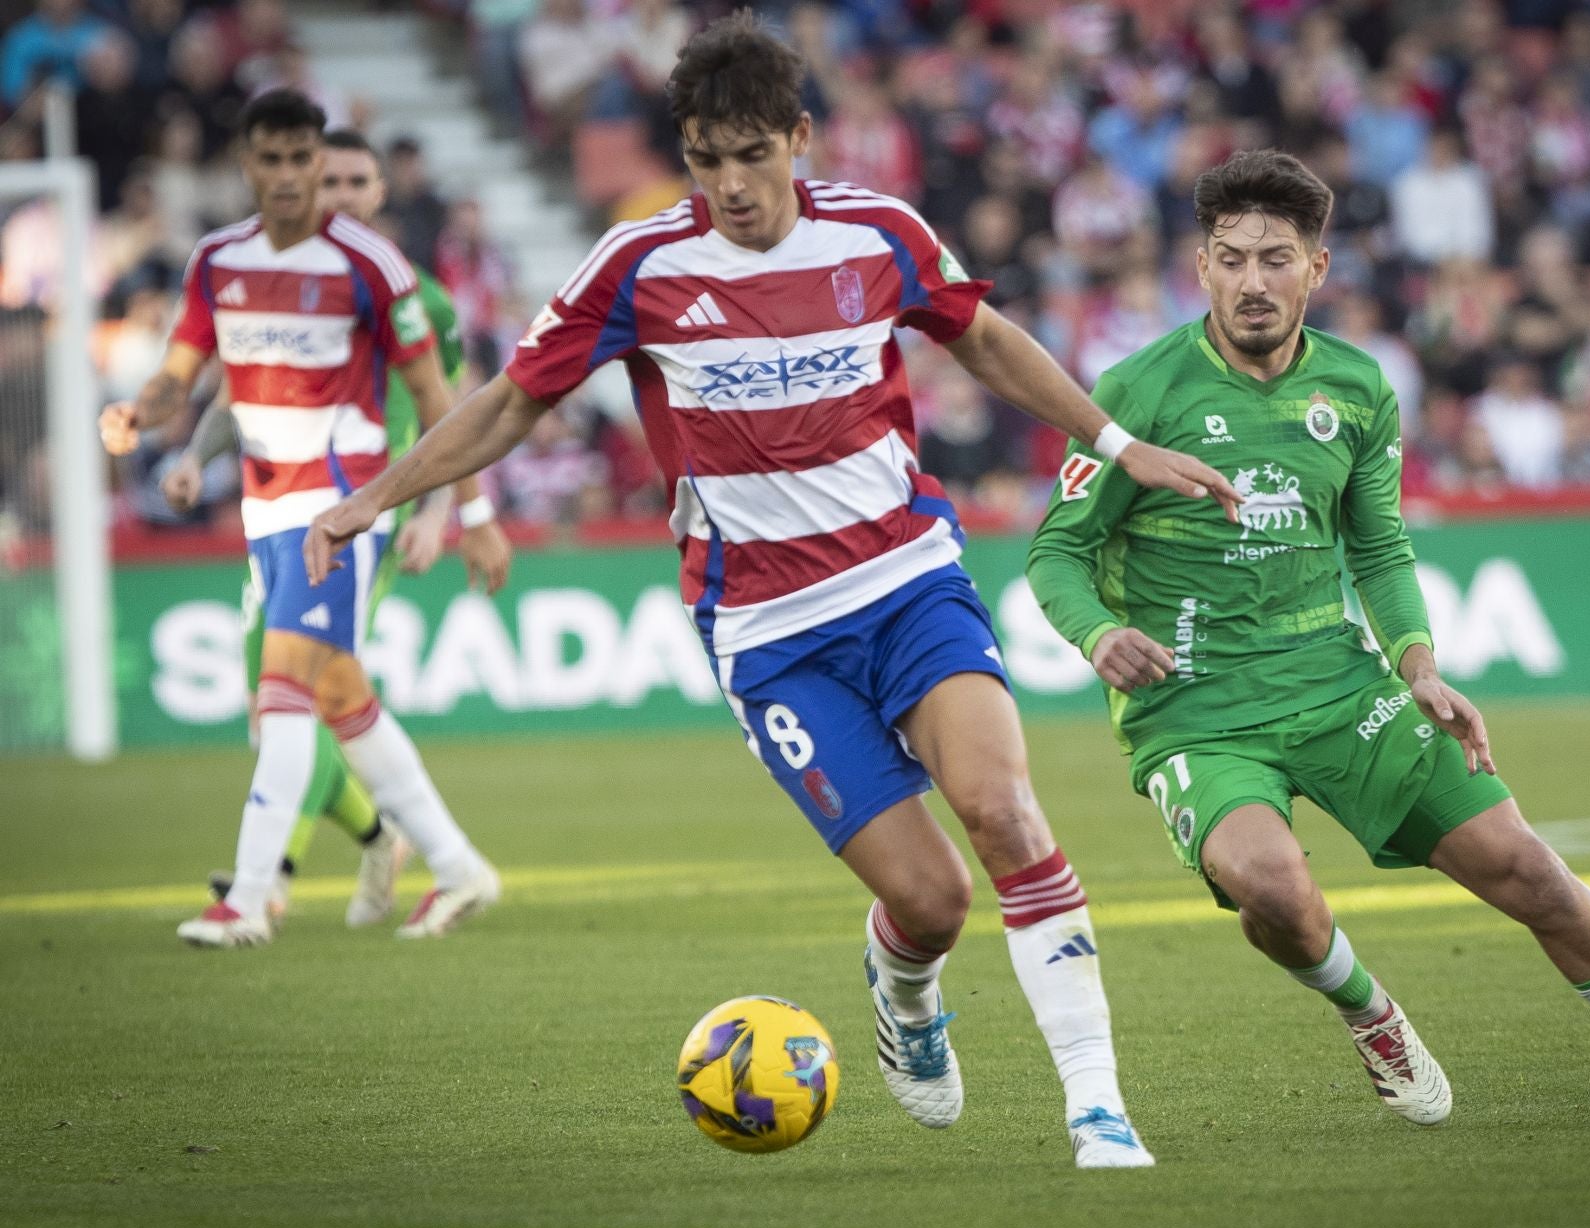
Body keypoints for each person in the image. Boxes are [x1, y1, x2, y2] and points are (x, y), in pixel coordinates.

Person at [304, 14, 1240, 1168]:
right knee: (934, 902)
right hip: (769, 634)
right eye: (705, 158)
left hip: (907, 580)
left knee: (1005, 812)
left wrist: (1113, 439)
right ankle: (904, 995)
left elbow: (984, 339)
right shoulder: (641, 268)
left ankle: (1097, 1106)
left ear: (799, 137)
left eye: (753, 153)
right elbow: (510, 403)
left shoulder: (878, 234)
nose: (733, 184)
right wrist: (374, 497)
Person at [1026, 149, 1590, 1126]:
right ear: (1202, 266)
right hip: (1197, 710)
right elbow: (1056, 551)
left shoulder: (1358, 388)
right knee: (1271, 886)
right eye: (1230, 258)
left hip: (1341, 688)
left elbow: (1378, 545)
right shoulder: (1137, 392)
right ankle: (1369, 1010)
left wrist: (1419, 664)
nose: (1252, 280)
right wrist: (1096, 635)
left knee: (1528, 867)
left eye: (1275, 258)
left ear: (1318, 269)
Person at [99, 90, 504, 948]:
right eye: (270, 160)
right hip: (265, 510)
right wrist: (140, 411)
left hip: (342, 511)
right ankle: (459, 866)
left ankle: (248, 897)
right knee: (342, 701)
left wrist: (472, 510)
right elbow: (188, 371)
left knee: (282, 694)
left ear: (318, 163)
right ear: (245, 164)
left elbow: (439, 397)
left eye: (301, 160)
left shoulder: (374, 268)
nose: (288, 177)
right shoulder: (216, 260)